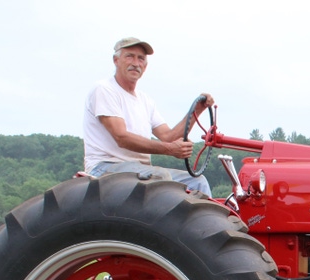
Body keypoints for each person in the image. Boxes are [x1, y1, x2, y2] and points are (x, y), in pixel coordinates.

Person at [83, 37, 213, 196]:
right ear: (116, 60)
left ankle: (200, 221)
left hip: (139, 169)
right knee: (159, 177)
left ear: (145, 66)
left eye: (141, 59)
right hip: (106, 167)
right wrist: (171, 149)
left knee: (198, 182)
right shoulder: (104, 90)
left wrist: (196, 111)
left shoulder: (145, 100)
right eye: (129, 56)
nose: (135, 63)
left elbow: (168, 136)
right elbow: (121, 137)